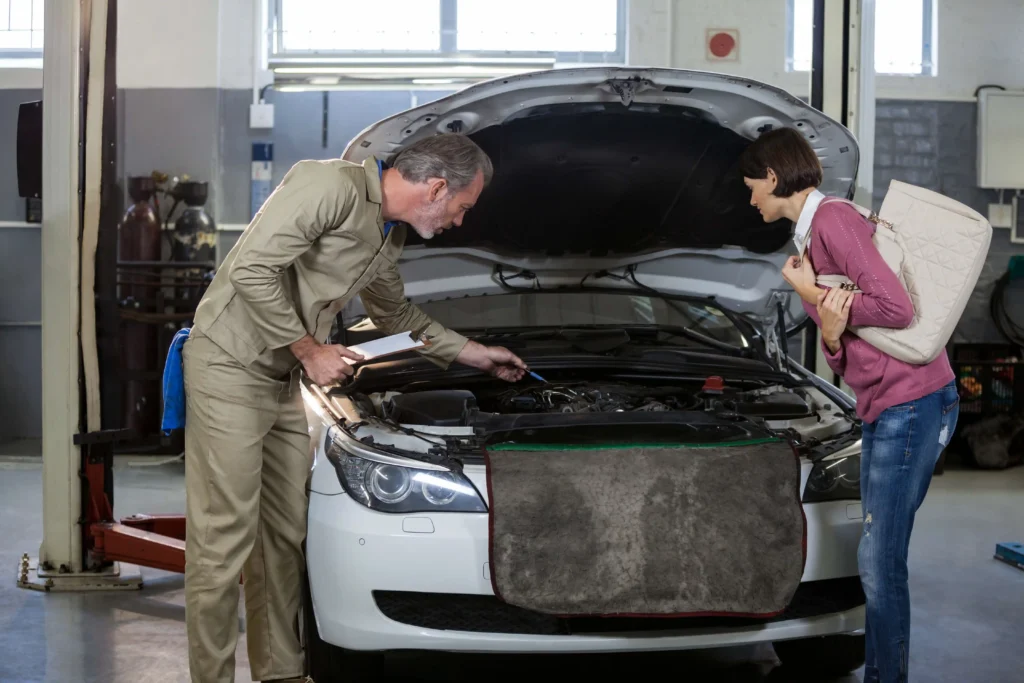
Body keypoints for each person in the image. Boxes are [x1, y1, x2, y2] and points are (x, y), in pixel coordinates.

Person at [181, 133, 527, 683]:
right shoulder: (329, 185)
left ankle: (280, 672)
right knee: (223, 536)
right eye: (463, 207)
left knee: (283, 533)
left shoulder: (388, 234)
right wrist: (310, 351)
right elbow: (250, 269)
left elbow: (397, 317)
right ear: (437, 188)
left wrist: (475, 355)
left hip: (281, 375)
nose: (460, 221)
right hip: (230, 365)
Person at [739, 127, 959, 683]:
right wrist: (831, 330)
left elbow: (896, 309)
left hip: (913, 401)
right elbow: (841, 350)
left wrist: (812, 295)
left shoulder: (834, 220)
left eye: (751, 186)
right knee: (878, 559)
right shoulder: (808, 244)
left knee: (880, 563)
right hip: (884, 404)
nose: (751, 199)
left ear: (772, 176)